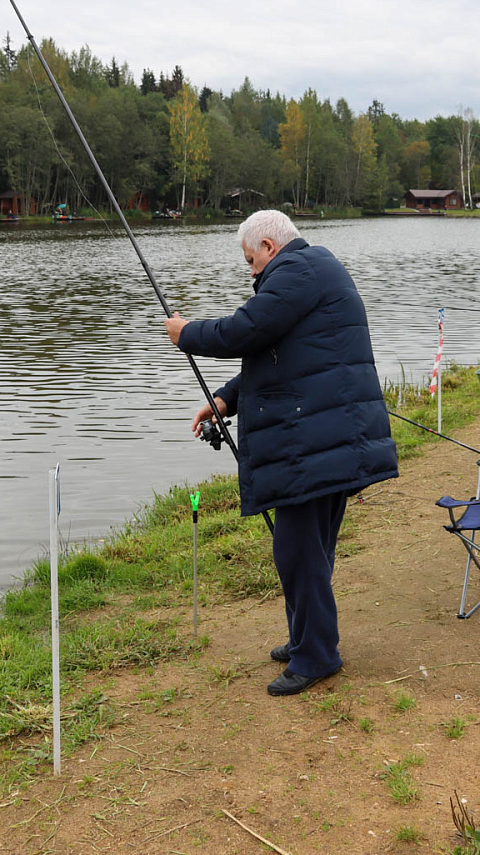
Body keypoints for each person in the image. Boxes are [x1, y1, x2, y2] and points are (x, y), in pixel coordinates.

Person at [164, 211, 398, 697]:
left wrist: (186, 333)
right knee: (308, 549)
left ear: (269, 246)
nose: (251, 272)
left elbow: (244, 331)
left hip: (317, 438)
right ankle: (306, 640)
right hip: (326, 433)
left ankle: (316, 656)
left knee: (297, 550)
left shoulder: (298, 272)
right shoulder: (312, 269)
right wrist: (227, 399)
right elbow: (276, 349)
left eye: (251, 261)